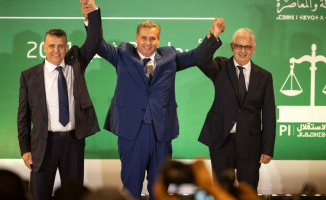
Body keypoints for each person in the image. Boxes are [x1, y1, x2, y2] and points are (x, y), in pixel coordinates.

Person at [80, 4, 221, 199]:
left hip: (161, 133)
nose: (148, 42)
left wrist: (212, 35)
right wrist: (91, 16)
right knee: (130, 188)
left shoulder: (170, 57)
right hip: (132, 133)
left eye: (152, 38)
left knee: (160, 189)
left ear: (159, 39)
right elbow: (98, 43)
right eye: (144, 38)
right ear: (136, 38)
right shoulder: (122, 55)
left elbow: (197, 56)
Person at [17, 1, 102, 199]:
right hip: (43, 144)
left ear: (66, 47)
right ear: (44, 47)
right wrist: (25, 149)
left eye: (61, 46)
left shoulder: (76, 62)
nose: (57, 50)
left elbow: (95, 40)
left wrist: (91, 15)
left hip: (73, 142)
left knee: (73, 194)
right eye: (52, 46)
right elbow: (23, 115)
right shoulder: (29, 76)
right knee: (39, 194)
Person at [196, 23, 276, 190]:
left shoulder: (264, 77)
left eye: (247, 47)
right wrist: (214, 35)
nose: (243, 51)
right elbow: (201, 59)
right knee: (221, 192)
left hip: (250, 144)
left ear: (253, 48)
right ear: (232, 47)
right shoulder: (220, 67)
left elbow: (268, 115)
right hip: (221, 142)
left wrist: (267, 148)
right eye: (239, 46)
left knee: (248, 191)